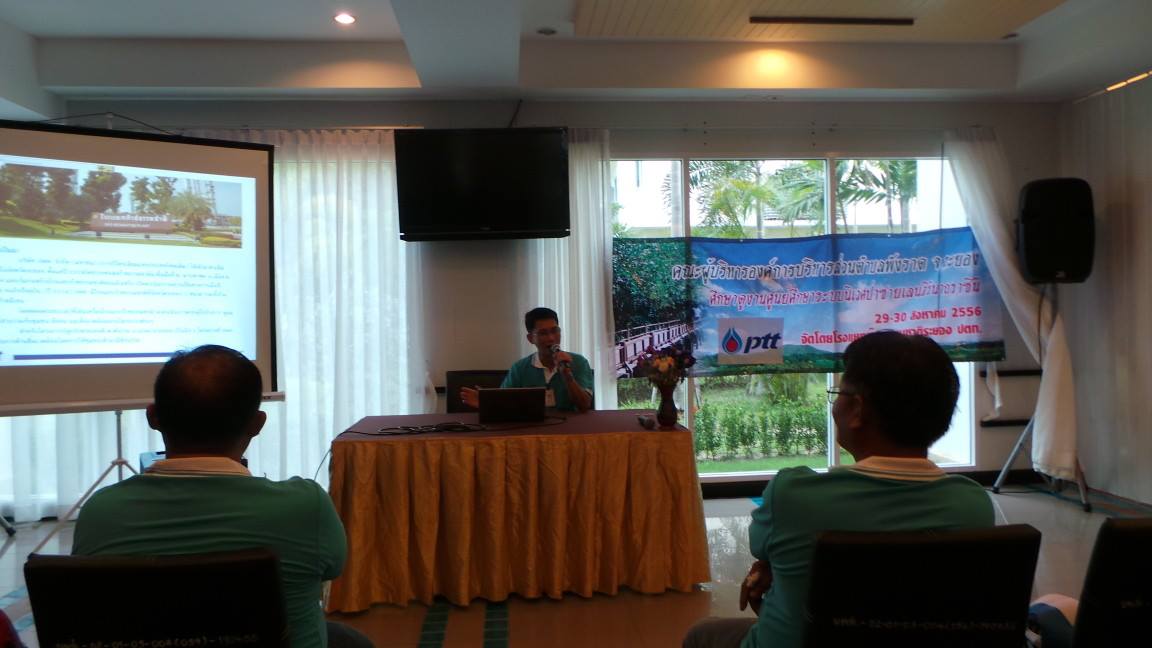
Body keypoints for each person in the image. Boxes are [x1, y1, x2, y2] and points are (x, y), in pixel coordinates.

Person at [683, 330, 995, 648]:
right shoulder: (972, 506)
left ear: (857, 410)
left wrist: (774, 565)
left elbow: (763, 546)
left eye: (838, 393)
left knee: (702, 634)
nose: (835, 406)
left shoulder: (793, 496)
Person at [72, 345, 371, 648]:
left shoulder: (101, 513)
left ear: (153, 417)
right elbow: (333, 568)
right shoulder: (306, 508)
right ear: (257, 424)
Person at [460, 307, 594, 412]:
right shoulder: (519, 368)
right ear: (531, 339)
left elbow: (584, 406)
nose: (551, 338)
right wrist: (486, 403)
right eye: (543, 333)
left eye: (555, 331)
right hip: (532, 429)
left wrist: (567, 375)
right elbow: (504, 404)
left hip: (570, 429)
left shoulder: (578, 362)